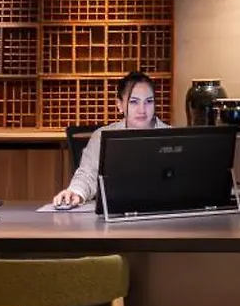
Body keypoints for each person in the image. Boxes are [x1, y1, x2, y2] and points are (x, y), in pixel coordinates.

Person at [51, 71, 168, 209]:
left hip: (165, 213)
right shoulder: (102, 136)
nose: (142, 110)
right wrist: (75, 192)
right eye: (134, 102)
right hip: (116, 214)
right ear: (119, 105)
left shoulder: (173, 136)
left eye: (149, 101)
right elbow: (87, 175)